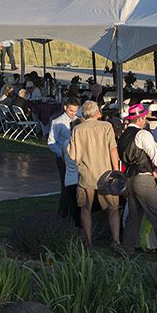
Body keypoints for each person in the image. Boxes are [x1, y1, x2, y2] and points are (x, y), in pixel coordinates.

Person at [115, 104, 157, 262]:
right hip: (143, 179)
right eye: (145, 117)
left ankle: (127, 248)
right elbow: (155, 157)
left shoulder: (124, 134)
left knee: (134, 216)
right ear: (141, 118)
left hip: (129, 179)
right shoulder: (143, 134)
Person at [66, 101, 121, 247]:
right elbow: (113, 150)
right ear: (97, 112)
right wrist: (116, 171)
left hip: (86, 175)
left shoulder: (77, 129)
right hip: (106, 175)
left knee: (85, 209)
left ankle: (88, 241)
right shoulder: (106, 127)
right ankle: (115, 240)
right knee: (113, 209)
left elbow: (72, 155)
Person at [47, 97, 82, 225]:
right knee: (66, 187)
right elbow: (51, 142)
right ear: (65, 107)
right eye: (71, 110)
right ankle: (62, 215)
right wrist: (61, 154)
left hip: (77, 158)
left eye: (75, 110)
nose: (73, 113)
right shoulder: (58, 122)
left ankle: (73, 215)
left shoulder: (78, 120)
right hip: (63, 158)